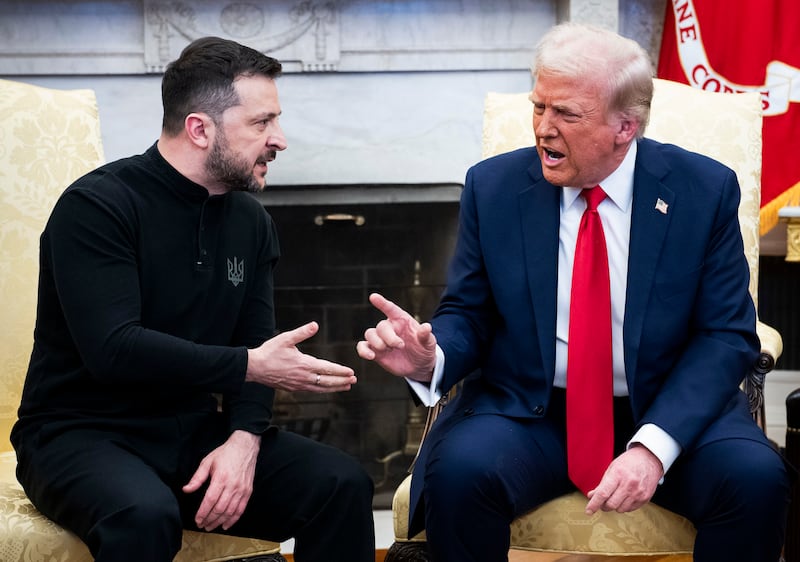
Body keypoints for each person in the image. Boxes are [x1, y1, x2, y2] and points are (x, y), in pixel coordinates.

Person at [357, 22, 791, 562]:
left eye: (566, 113)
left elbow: (725, 335)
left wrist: (654, 447)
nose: (543, 128)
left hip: (668, 406)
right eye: (539, 107)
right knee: (460, 474)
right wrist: (431, 358)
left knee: (755, 481)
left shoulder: (703, 190)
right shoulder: (494, 187)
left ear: (625, 126)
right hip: (532, 412)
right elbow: (469, 312)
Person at [11, 36, 375, 562]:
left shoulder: (251, 222)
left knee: (341, 484)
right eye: (261, 123)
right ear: (200, 129)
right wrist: (249, 365)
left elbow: (257, 345)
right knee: (143, 515)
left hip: (189, 431)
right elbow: (114, 350)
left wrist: (244, 440)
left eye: (276, 121)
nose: (279, 139)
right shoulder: (97, 207)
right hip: (78, 435)